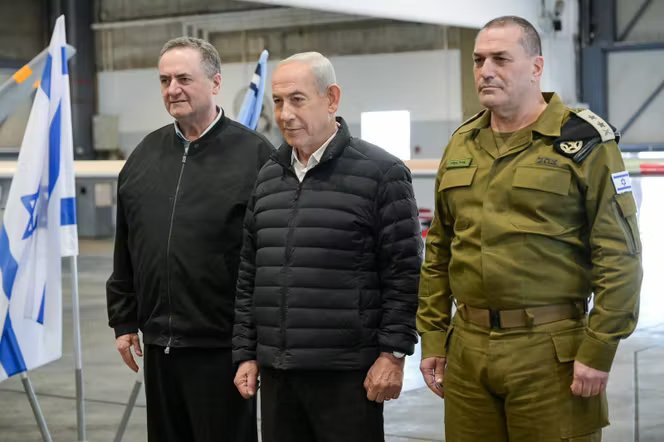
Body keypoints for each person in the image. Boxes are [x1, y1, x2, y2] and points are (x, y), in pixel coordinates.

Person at [417, 16, 642, 442]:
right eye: (478, 60)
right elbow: (439, 251)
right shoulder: (462, 143)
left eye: (500, 59)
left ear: (536, 67)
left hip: (550, 352)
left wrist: (600, 347)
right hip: (467, 350)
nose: (485, 71)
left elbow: (619, 254)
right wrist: (432, 335)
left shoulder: (584, 143)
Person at [232, 52, 421, 442]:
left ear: (331, 98)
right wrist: (246, 353)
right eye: (278, 101)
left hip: (347, 376)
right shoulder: (268, 177)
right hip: (279, 374)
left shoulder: (381, 174)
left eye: (297, 100)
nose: (285, 114)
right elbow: (251, 273)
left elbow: (404, 273)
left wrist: (393, 354)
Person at [106, 36, 273, 442]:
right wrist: (124, 319)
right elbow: (126, 244)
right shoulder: (143, 157)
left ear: (215, 83)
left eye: (184, 78)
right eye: (165, 80)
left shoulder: (256, 156)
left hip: (224, 349)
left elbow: (270, 258)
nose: (172, 89)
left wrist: (256, 343)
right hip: (159, 345)